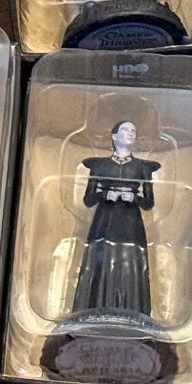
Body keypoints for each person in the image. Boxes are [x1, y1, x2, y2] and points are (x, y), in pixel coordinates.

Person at [69, 121, 161, 319]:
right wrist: (105, 195)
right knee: (101, 259)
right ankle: (94, 308)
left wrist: (133, 198)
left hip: (131, 223)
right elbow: (88, 199)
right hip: (105, 221)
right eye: (126, 130)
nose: (131, 133)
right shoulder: (99, 165)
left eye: (133, 131)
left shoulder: (142, 167)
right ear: (114, 136)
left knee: (130, 261)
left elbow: (149, 202)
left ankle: (133, 312)